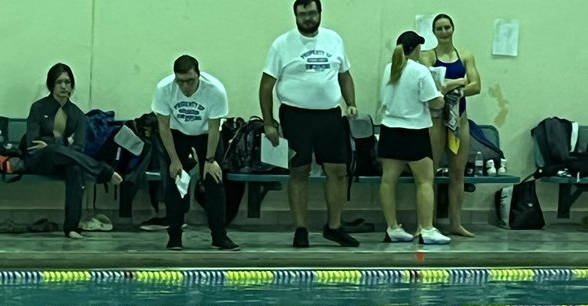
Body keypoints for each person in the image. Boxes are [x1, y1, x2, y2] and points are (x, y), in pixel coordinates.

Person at [259, 0, 360, 249]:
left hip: (329, 116)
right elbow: (266, 86)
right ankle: (300, 229)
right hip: (295, 116)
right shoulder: (282, 44)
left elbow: (345, 75)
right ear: (296, 16)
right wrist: (269, 124)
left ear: (320, 13)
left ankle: (334, 227)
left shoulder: (334, 39)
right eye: (303, 14)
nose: (308, 18)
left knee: (338, 171)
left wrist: (351, 102)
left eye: (312, 13)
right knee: (299, 171)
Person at [23, 64, 123, 239]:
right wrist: (62, 142)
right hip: (40, 161)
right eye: (59, 82)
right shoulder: (38, 108)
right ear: (51, 85)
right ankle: (103, 171)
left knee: (75, 168)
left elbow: (78, 148)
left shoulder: (77, 115)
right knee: (53, 152)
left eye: (67, 82)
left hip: (66, 160)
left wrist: (52, 143)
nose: (64, 86)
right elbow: (33, 143)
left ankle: (72, 227)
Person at [152, 55, 239, 252]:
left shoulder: (215, 90)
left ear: (199, 75)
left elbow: (215, 127)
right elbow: (163, 127)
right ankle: (174, 236)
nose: (186, 87)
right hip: (177, 133)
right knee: (176, 182)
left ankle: (219, 236)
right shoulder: (164, 89)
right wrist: (174, 160)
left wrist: (209, 160)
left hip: (207, 134)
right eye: (181, 82)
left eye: (190, 81)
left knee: (214, 182)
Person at [378, 31, 451, 245]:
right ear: (417, 49)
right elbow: (434, 102)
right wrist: (441, 93)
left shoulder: (389, 68)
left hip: (390, 130)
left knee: (388, 181)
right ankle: (426, 229)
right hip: (414, 132)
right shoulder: (420, 71)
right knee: (425, 181)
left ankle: (393, 228)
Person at [421, 13, 481, 237]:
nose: (444, 32)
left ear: (453, 29)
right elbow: (433, 84)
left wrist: (453, 91)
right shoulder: (428, 56)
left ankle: (456, 223)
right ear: (434, 32)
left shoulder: (465, 55)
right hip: (437, 120)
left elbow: (477, 86)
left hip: (459, 119)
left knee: (458, 173)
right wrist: (459, 83)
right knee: (430, 173)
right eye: (439, 29)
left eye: (447, 27)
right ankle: (427, 224)